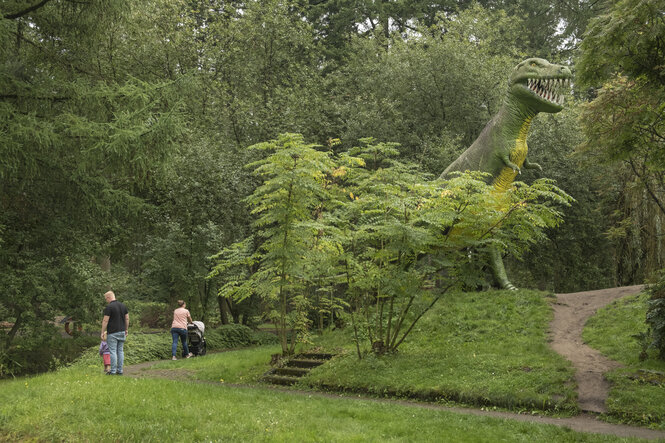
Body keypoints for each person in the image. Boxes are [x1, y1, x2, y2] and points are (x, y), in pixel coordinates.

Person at [100, 290, 129, 375]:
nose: (106, 301)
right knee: (120, 351)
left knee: (112, 352)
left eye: (106, 299)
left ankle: (112, 371)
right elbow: (127, 318)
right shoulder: (123, 306)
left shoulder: (109, 307)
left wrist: (102, 332)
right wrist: (126, 329)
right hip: (122, 331)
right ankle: (120, 371)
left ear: (109, 297)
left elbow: (105, 320)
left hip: (112, 332)